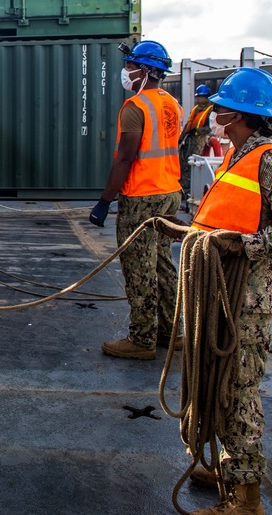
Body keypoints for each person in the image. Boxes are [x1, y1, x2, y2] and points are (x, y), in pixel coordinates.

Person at [185, 67, 272, 515]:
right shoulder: (239, 156)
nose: (215, 113)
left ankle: (244, 496)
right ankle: (228, 468)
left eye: (222, 107)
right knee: (221, 385)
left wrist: (243, 246)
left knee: (238, 392)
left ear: (239, 115)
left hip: (247, 300)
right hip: (225, 294)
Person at [89, 40, 183, 360]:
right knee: (163, 264)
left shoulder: (136, 107)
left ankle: (142, 338)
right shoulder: (172, 103)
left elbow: (125, 159)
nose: (125, 72)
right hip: (170, 192)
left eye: (129, 66)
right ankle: (173, 332)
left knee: (139, 269)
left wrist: (104, 201)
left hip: (142, 197)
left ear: (144, 70)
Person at [179, 84, 215, 202]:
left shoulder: (210, 110)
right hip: (189, 139)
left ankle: (187, 191)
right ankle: (182, 188)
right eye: (198, 97)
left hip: (199, 139)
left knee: (191, 164)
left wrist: (198, 131)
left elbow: (210, 128)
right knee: (183, 163)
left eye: (201, 97)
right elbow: (188, 124)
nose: (199, 99)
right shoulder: (195, 109)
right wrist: (181, 137)